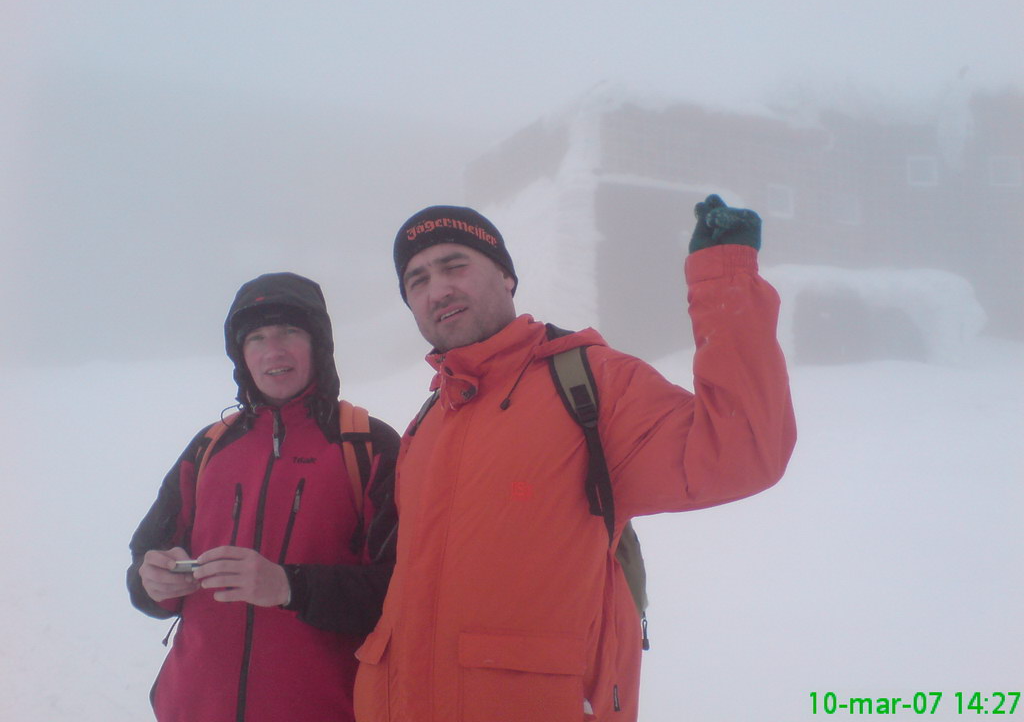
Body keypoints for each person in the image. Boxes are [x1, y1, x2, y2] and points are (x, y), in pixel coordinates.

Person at [353, 199, 797, 721]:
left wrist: (724, 278)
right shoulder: (427, 423)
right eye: (417, 280)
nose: (438, 289)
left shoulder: (589, 385)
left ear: (506, 276)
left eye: (455, 265)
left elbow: (741, 450)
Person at [127, 272, 400, 722]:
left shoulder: (367, 446)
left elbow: (402, 593)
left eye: (290, 331)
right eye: (256, 337)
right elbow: (144, 559)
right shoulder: (209, 446)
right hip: (193, 707)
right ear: (241, 355)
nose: (273, 351)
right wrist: (152, 582)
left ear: (319, 344)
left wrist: (289, 586)